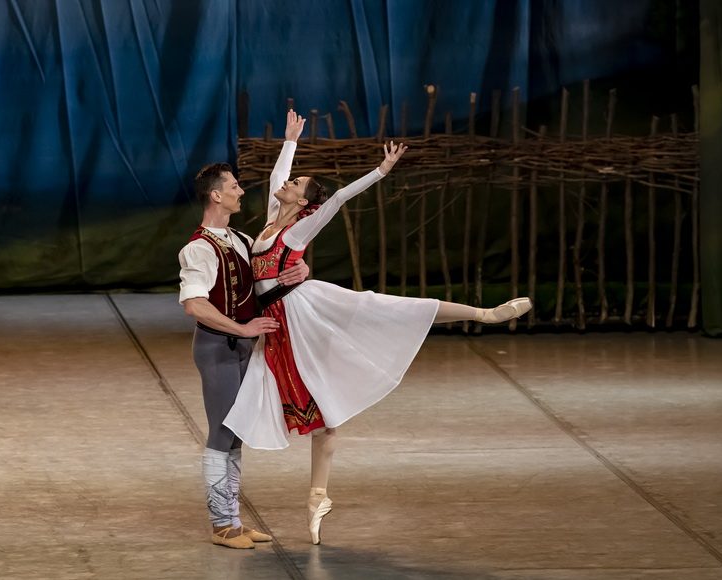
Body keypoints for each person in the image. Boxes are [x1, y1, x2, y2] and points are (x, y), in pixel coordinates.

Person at [224, 110, 532, 545]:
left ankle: (483, 314)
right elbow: (279, 174)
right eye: (292, 180)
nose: (288, 183)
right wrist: (290, 140)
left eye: (296, 184)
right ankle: (317, 497)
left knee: (386, 311)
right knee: (321, 416)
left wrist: (381, 171)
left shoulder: (296, 232)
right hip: (278, 324)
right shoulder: (274, 219)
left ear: (304, 203)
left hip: (303, 316)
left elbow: (337, 199)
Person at [178, 160, 310, 549]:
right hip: (217, 347)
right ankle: (222, 526)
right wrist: (243, 330)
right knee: (222, 431)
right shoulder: (198, 248)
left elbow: (260, 285)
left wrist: (297, 271)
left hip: (239, 347)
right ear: (216, 195)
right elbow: (194, 305)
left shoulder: (239, 238)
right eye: (234, 186)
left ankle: (232, 520)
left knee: (236, 432)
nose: (240, 191)